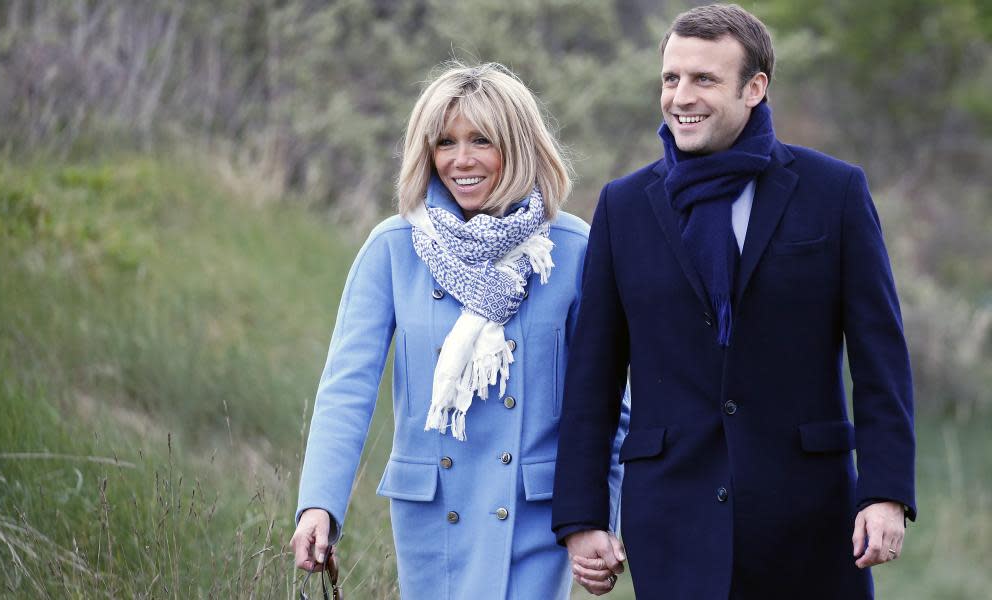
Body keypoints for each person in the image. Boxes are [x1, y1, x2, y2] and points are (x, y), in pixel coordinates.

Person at [551, 4, 916, 598]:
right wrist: (583, 518)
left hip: (811, 520)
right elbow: (593, 374)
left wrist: (886, 492)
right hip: (671, 519)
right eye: (671, 78)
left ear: (754, 88)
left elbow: (881, 361)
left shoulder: (834, 192)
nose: (680, 96)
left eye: (704, 80)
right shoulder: (623, 206)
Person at [290, 62, 629, 600]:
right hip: (432, 511)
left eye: (481, 141)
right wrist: (319, 504)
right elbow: (347, 388)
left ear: (517, 147)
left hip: (535, 515)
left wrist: (600, 516)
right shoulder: (393, 247)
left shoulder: (573, 250)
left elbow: (611, 404)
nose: (460, 160)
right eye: (445, 142)